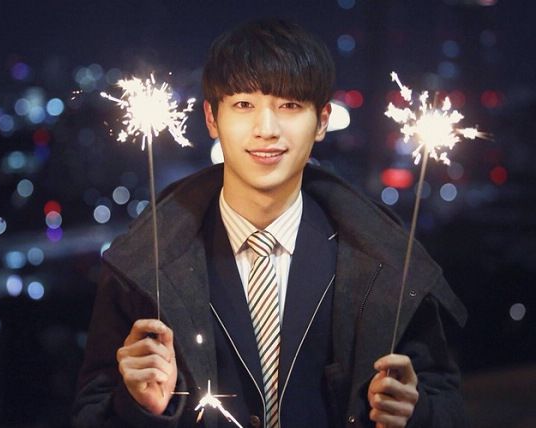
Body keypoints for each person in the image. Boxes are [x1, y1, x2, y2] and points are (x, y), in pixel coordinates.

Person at [73, 19, 467, 428]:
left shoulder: (383, 262)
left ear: (322, 120)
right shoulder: (143, 264)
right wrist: (139, 408)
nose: (266, 130)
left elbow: (447, 402)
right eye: (244, 105)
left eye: (290, 106)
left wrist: (416, 415)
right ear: (211, 117)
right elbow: (90, 412)